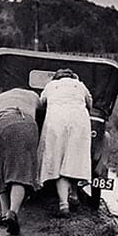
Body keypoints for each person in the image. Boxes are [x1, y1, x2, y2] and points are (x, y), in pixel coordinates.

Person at [0, 88, 42, 235]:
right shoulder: (33, 96)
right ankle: (13, 212)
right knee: (21, 173)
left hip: (4, 124)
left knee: (0, 171)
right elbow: (41, 117)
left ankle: (4, 214)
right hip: (28, 125)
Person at [38, 68, 92, 217]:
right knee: (74, 158)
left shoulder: (51, 86)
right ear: (73, 77)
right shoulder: (79, 85)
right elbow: (90, 103)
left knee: (58, 160)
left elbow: (41, 104)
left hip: (56, 121)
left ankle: (63, 205)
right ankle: (74, 195)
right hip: (79, 121)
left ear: (56, 78)